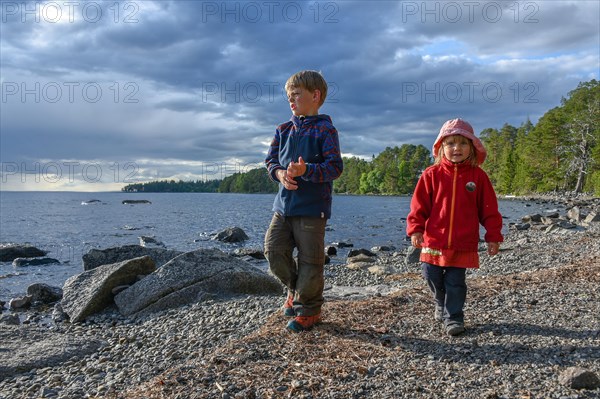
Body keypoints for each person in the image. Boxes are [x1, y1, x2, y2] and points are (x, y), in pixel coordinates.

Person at [406, 118, 503, 336]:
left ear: (472, 147)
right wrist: (416, 229)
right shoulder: (432, 174)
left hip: (463, 241)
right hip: (433, 239)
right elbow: (419, 205)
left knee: (456, 282)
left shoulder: (478, 177)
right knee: (430, 274)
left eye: (462, 143)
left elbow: (489, 210)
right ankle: (440, 301)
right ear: (441, 147)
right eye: (450, 143)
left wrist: (493, 236)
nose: (456, 148)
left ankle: (454, 317)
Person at [264, 70, 343, 333]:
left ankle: (309, 310)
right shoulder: (283, 129)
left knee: (311, 261)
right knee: (274, 251)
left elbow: (334, 168)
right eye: (289, 96)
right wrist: (279, 174)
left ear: (316, 96)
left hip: (312, 209)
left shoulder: (326, 130)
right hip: (283, 206)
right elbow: (271, 161)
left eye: (296, 94)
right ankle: (294, 290)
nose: (291, 100)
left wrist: (306, 170)